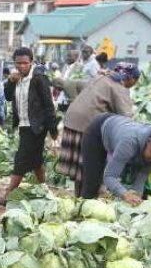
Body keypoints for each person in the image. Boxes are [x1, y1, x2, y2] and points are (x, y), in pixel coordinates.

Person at [57, 63, 140, 196]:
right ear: (131, 79)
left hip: (72, 119)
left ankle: (79, 198)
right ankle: (86, 200)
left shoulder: (102, 76)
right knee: (91, 169)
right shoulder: (119, 85)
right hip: (86, 124)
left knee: (81, 170)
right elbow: (126, 116)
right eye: (135, 82)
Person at [0, 47, 58, 205]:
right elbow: (7, 97)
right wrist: (10, 82)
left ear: (31, 63)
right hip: (23, 125)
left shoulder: (39, 79)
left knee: (21, 160)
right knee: (36, 160)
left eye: (25, 63)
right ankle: (45, 189)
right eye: (18, 63)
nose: (21, 66)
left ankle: (8, 194)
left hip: (37, 126)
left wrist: (53, 129)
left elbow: (48, 105)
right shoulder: (17, 78)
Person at [79, 114, 151, 206]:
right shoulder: (129, 142)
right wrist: (125, 194)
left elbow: (142, 175)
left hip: (120, 130)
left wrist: (137, 199)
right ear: (149, 142)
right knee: (91, 186)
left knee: (125, 192)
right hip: (97, 132)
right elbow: (109, 176)